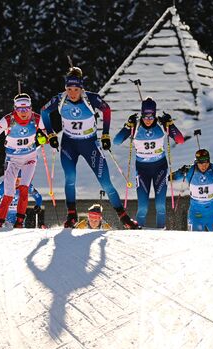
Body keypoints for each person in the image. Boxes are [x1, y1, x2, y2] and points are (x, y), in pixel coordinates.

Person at [40, 66, 139, 229]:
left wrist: (105, 134)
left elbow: (106, 110)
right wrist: (50, 134)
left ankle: (124, 218)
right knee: (70, 178)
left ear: (81, 88)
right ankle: (72, 215)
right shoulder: (60, 99)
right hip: (69, 144)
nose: (72, 93)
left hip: (89, 144)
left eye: (76, 89)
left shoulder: (91, 99)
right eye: (69, 89)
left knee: (105, 182)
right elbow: (44, 112)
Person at [113, 97, 184, 228]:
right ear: (142, 115)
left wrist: (170, 124)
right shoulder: (135, 127)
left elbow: (180, 140)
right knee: (143, 207)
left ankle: (161, 230)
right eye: (145, 117)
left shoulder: (162, 126)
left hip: (160, 168)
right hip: (142, 170)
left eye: (151, 117)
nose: (148, 120)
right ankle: (138, 232)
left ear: (155, 115)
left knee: (160, 205)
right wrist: (127, 126)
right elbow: (116, 142)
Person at [0, 93, 48, 228]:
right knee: (9, 194)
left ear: (30, 108)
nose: (23, 113)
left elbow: (48, 132)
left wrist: (44, 138)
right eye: (20, 109)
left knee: (24, 189)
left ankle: (19, 223)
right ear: (15, 109)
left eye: (26, 109)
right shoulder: (8, 119)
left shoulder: (36, 118)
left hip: (30, 157)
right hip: (12, 159)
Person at [170, 149, 213, 232]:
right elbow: (171, 178)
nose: (204, 166)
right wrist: (180, 171)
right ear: (196, 162)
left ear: (209, 161)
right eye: (200, 163)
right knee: (195, 241)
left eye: (206, 163)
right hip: (196, 214)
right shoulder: (190, 170)